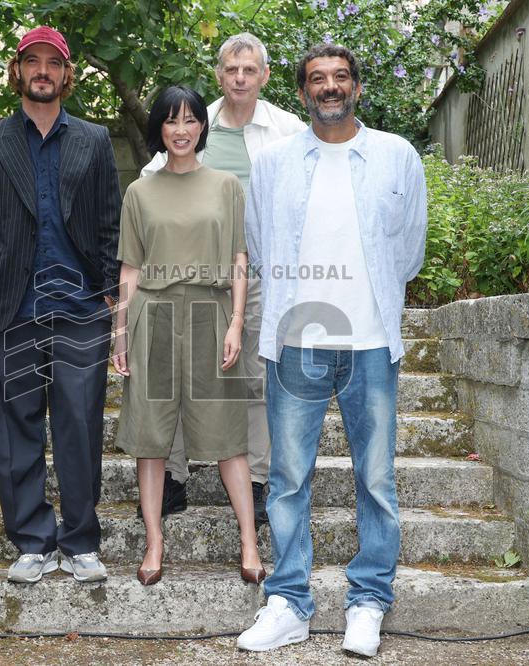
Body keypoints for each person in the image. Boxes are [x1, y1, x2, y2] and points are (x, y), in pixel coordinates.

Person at [235, 44, 428, 656]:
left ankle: (368, 602)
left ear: (357, 87)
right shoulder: (272, 162)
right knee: (288, 479)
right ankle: (288, 602)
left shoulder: (396, 156)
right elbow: (260, 245)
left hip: (371, 343)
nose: (330, 87)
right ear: (301, 93)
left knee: (376, 479)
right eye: (317, 80)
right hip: (296, 343)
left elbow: (410, 251)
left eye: (341, 77)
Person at [0, 26, 121, 585]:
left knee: (79, 425)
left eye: (54, 63)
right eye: (34, 62)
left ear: (67, 74)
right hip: (9, 310)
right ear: (19, 71)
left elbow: (107, 222)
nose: (43, 71)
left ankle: (79, 542)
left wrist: (110, 295)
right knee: (15, 429)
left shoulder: (94, 140)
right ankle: (31, 540)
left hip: (80, 310)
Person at [141, 33, 306, 526]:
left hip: (260, 275)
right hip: (198, 278)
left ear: (265, 75)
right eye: (231, 69)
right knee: (172, 379)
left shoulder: (288, 130)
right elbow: (153, 181)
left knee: (255, 378)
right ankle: (171, 476)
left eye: (249, 70)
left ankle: (256, 479)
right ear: (219, 74)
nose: (239, 78)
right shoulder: (194, 121)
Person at [112, 85, 264, 586]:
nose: (181, 130)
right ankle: (154, 543)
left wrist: (237, 322)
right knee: (152, 437)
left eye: (191, 120)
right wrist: (119, 334)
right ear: (159, 127)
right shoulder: (140, 191)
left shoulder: (226, 185)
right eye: (171, 120)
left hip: (209, 311)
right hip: (152, 316)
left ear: (203, 126)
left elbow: (240, 259)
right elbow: (129, 270)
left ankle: (248, 540)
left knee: (227, 436)